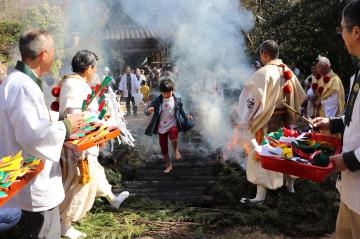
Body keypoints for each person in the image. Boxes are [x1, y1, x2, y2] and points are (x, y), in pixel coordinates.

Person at [0, 29, 84, 238]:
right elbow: (33, 136)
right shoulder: (22, 86)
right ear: (44, 54)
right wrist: (66, 126)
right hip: (32, 188)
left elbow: (29, 120)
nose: (55, 54)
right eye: (53, 49)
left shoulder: (16, 82)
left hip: (24, 182)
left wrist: (58, 117)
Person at [58, 50, 129, 239]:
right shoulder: (73, 84)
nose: (95, 70)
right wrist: (83, 147)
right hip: (78, 145)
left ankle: (112, 199)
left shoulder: (77, 83)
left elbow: (85, 112)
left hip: (86, 141)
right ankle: (65, 225)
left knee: (95, 173)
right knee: (79, 184)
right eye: (94, 67)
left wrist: (99, 125)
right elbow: (74, 116)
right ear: (89, 68)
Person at [230, 40, 306, 204]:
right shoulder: (287, 71)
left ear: (264, 54)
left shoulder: (263, 73)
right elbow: (300, 95)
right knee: (285, 150)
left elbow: (251, 101)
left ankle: (260, 196)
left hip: (266, 122)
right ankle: (289, 185)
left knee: (263, 153)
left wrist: (245, 119)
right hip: (284, 119)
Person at [313, 2, 360, 238]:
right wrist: (332, 123)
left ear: (356, 31)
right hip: (350, 189)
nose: (341, 34)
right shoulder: (358, 74)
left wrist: (348, 159)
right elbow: (354, 118)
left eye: (342, 28)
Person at [144, 79, 194, 173]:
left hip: (173, 123)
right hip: (162, 126)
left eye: (169, 93)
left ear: (172, 90)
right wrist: (148, 110)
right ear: (161, 92)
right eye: (164, 93)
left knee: (173, 135)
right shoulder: (158, 100)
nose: (166, 95)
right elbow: (146, 109)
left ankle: (176, 150)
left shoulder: (177, 98)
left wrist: (187, 115)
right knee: (163, 146)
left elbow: (182, 109)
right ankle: (168, 166)